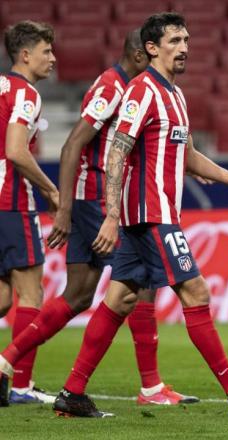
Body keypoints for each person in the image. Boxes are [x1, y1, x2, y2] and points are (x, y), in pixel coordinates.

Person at [50, 12, 228, 418]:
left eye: (187, 40)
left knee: (119, 300)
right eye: (175, 41)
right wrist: (110, 215)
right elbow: (116, 151)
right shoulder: (142, 91)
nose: (185, 48)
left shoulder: (175, 95)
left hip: (151, 216)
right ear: (152, 48)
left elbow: (188, 156)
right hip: (150, 215)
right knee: (197, 293)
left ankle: (72, 392)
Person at [0, 29, 199, 407]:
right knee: (140, 283)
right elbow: (74, 142)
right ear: (142, 56)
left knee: (77, 296)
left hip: (91, 198)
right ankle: (151, 387)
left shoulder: (128, 86)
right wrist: (66, 208)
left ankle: (6, 361)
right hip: (96, 199)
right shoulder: (115, 86)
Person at [0, 20, 59, 406]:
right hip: (12, 202)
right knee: (31, 293)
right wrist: (50, 189)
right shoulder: (25, 93)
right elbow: (17, 151)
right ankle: (20, 384)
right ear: (25, 55)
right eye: (46, 51)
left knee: (4, 298)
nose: (53, 59)